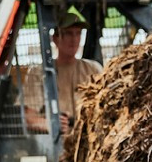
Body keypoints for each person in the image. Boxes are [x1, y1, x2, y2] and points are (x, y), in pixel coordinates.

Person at [23, 8, 104, 136]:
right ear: (55, 38)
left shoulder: (93, 69)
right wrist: (49, 124)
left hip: (88, 138)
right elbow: (29, 118)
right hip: (56, 144)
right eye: (68, 33)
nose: (74, 39)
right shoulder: (39, 72)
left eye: (78, 33)